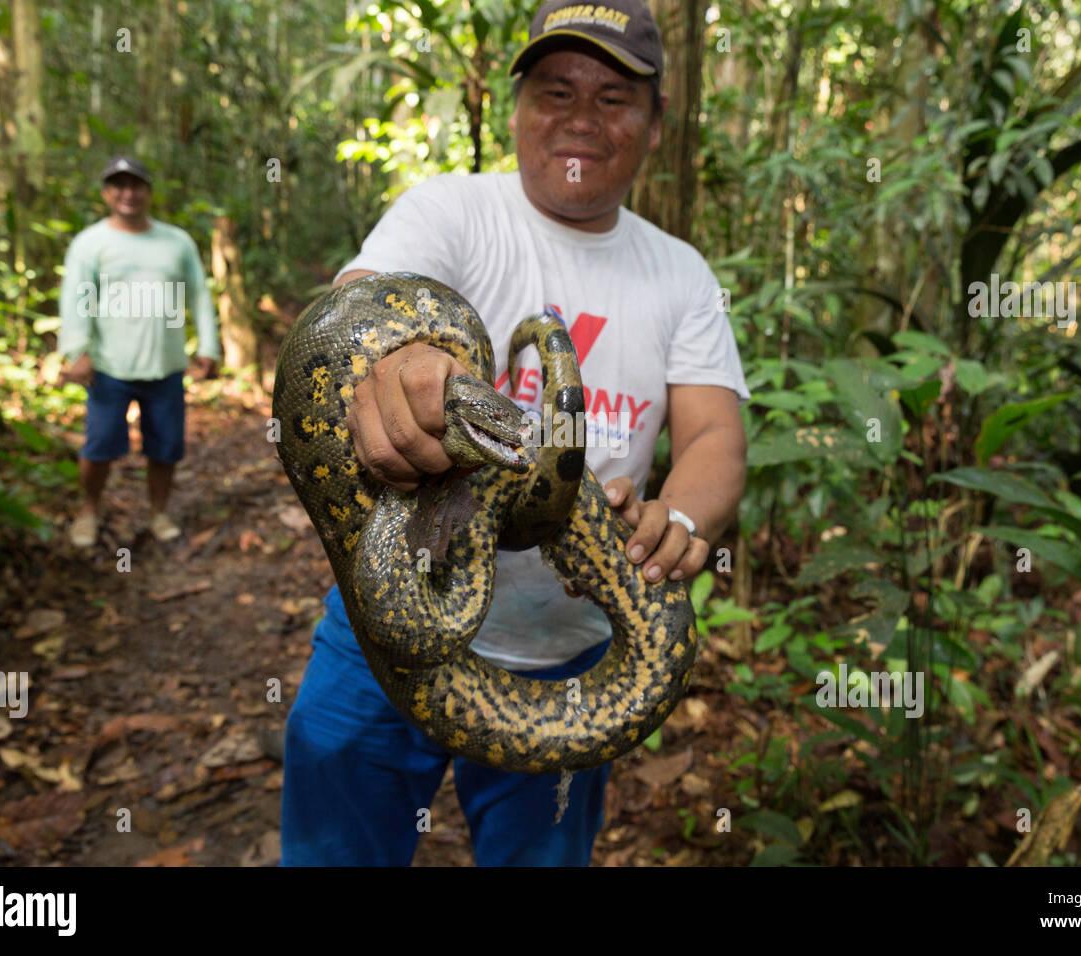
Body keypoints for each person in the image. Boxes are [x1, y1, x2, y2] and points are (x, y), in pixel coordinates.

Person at [281, 0, 749, 866]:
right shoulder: (453, 211)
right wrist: (396, 377)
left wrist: (678, 520)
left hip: (572, 650)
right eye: (556, 90)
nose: (580, 118)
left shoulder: (682, 274)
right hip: (382, 613)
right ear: (518, 106)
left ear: (656, 122)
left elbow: (717, 434)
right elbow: (361, 304)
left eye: (613, 98)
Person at [55, 156, 221, 547]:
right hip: (109, 368)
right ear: (107, 193)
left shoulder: (177, 241)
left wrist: (208, 347)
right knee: (99, 447)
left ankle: (159, 514)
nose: (128, 193)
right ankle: (89, 513)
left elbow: (198, 295)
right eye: (119, 185)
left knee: (165, 448)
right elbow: (76, 298)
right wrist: (76, 350)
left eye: (136, 185)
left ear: (149, 191)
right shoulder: (90, 243)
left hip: (165, 367)